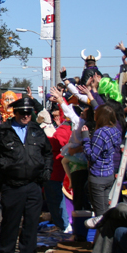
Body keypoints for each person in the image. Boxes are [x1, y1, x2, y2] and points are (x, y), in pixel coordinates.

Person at [0, 97, 53, 253]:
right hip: (12, 186)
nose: (26, 116)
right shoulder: (2, 131)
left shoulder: (36, 131)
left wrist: (47, 171)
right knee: (10, 224)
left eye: (28, 113)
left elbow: (48, 152)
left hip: (33, 185)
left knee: (31, 225)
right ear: (15, 113)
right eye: (22, 113)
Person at [83, 105, 122, 222]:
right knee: (106, 211)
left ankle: (103, 233)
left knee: (100, 215)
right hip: (109, 173)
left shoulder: (100, 133)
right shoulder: (115, 131)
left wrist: (85, 138)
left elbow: (91, 156)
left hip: (98, 175)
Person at [44, 99, 72, 234]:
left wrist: (43, 138)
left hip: (56, 169)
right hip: (55, 167)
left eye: (57, 112)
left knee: (56, 199)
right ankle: (60, 224)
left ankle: (64, 225)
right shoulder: (65, 126)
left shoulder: (66, 128)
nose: (55, 115)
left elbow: (56, 143)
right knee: (54, 199)